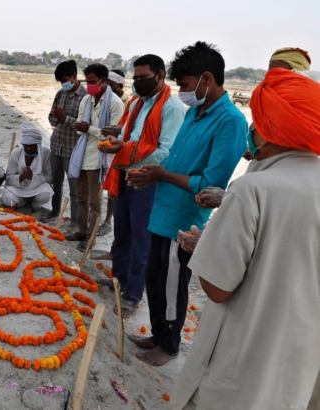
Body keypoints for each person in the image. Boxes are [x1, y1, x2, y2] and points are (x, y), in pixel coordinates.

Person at [171, 69, 320, 410]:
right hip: (299, 362)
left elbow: (218, 288)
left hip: (243, 362)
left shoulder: (252, 189)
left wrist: (204, 246)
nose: (251, 131)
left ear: (270, 130)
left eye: (257, 123)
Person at [126, 41, 247, 366]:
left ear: (206, 79)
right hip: (162, 210)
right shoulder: (196, 111)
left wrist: (162, 175)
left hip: (185, 219)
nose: (182, 92)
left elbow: (210, 184)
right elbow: (176, 161)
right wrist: (154, 174)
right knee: (155, 277)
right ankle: (157, 331)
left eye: (185, 85)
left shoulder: (230, 122)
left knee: (172, 283)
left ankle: (170, 343)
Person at [97, 54, 185, 318]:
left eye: (143, 78)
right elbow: (128, 134)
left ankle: (133, 295)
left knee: (141, 241)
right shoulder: (137, 102)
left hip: (146, 180)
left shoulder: (172, 108)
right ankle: (119, 280)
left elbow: (166, 152)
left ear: (160, 75)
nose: (137, 83)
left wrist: (127, 148)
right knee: (121, 234)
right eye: (135, 78)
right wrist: (116, 139)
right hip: (126, 173)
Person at [67, 63, 124, 251]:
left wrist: (88, 129)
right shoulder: (87, 99)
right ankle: (82, 231)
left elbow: (112, 137)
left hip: (99, 157)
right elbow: (80, 126)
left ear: (103, 80)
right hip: (82, 153)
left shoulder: (115, 104)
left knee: (95, 201)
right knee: (80, 197)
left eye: (92, 82)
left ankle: (90, 238)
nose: (89, 86)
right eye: (87, 81)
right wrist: (80, 128)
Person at [41, 60, 87, 233]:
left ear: (74, 76)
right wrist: (56, 117)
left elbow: (85, 125)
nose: (63, 84)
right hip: (56, 146)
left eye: (65, 80)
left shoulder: (85, 97)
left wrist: (66, 119)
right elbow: (52, 118)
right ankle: (55, 210)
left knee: (75, 188)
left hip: (72, 149)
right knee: (56, 182)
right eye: (61, 81)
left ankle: (75, 222)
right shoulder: (61, 93)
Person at [97, 68, 133, 237]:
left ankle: (108, 220)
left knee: (115, 187)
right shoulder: (104, 98)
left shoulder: (128, 102)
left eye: (110, 84)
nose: (107, 87)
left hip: (120, 147)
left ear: (119, 85)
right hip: (107, 143)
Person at [2, 124, 53, 212]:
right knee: (8, 198)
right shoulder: (16, 153)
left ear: (38, 145)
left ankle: (35, 205)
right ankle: (23, 203)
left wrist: (33, 177)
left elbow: (50, 178)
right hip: (19, 188)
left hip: (38, 187)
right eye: (26, 145)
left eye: (32, 146)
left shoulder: (46, 152)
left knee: (46, 194)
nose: (28, 149)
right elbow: (8, 177)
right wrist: (22, 177)